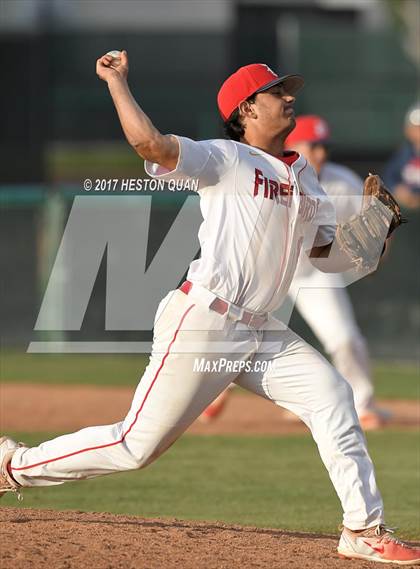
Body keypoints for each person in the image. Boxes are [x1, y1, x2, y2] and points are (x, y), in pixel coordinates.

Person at [1, 52, 418, 565]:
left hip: (262, 331)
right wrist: (116, 82)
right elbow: (148, 144)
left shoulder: (304, 175)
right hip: (206, 320)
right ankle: (13, 465)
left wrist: (371, 236)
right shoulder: (225, 159)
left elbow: (325, 258)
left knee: (334, 396)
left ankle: (363, 529)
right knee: (136, 446)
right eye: (276, 92)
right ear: (246, 109)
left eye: (288, 90)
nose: (289, 97)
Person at [201, 115, 389, 430]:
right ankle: (214, 390)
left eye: (324, 146)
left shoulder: (342, 182)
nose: (320, 153)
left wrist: (374, 252)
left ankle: (363, 404)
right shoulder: (265, 174)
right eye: (312, 145)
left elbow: (376, 230)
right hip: (267, 270)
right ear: (292, 144)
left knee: (345, 339)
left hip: (313, 273)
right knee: (236, 339)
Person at [383, 102, 420, 209]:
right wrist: (397, 190)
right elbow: (389, 178)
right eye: (417, 127)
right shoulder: (403, 155)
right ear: (408, 130)